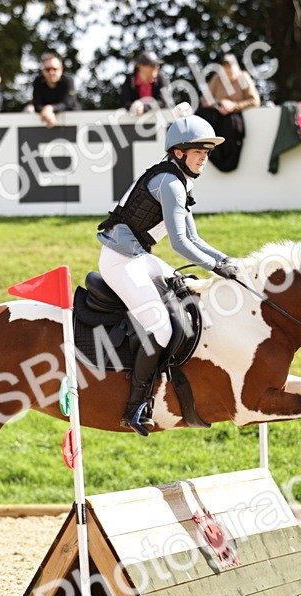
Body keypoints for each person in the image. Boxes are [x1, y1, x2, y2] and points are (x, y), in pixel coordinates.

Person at [96, 115, 240, 435]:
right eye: (198, 151)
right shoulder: (170, 183)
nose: (205, 157)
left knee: (187, 289)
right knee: (160, 329)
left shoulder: (179, 180)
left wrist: (229, 261)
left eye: (207, 152)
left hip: (138, 256)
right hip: (120, 261)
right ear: (178, 153)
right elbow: (179, 245)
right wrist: (216, 267)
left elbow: (195, 239)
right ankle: (134, 408)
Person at [28, 53, 80, 128]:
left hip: (73, 122)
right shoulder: (38, 81)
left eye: (55, 69)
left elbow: (68, 104)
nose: (51, 72)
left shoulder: (68, 80)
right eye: (48, 69)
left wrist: (50, 109)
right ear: (43, 71)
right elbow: (37, 105)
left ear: (61, 69)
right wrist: (48, 112)